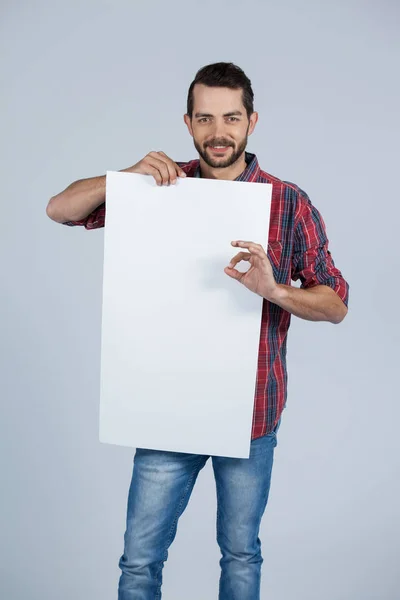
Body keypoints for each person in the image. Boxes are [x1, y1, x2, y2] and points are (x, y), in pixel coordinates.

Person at [46, 62, 349, 600]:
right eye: (205, 118)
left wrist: (275, 291)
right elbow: (60, 209)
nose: (218, 132)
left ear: (252, 121)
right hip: (167, 412)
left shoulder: (288, 202)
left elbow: (335, 304)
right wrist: (127, 176)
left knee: (240, 555)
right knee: (139, 563)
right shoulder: (159, 187)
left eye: (231, 117)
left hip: (251, 415)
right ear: (187, 122)